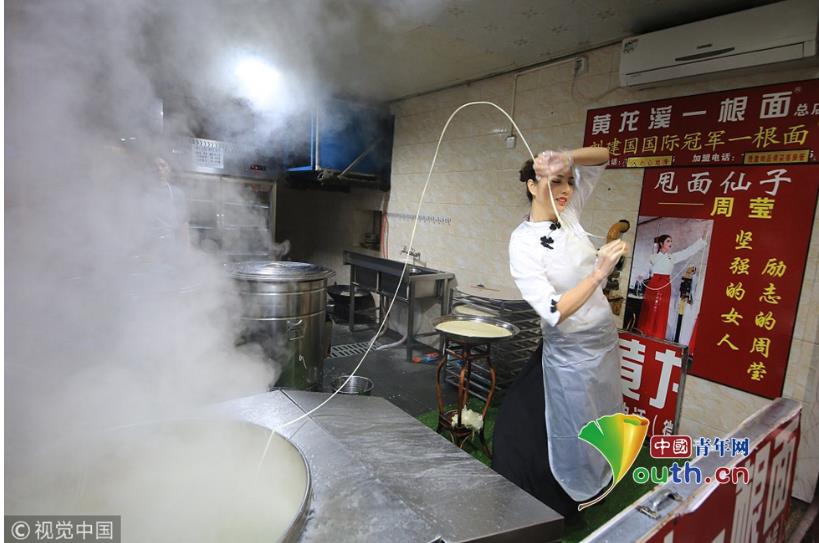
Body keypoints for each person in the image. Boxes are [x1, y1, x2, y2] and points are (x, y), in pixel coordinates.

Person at [491, 147, 626, 517]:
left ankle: (594, 485)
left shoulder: (569, 214)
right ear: (532, 186)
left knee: (598, 415)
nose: (566, 190)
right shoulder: (522, 242)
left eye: (569, 182)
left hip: (602, 342)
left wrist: (565, 157)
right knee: (545, 425)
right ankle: (547, 505)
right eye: (555, 182)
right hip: (568, 351)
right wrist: (598, 274)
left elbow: (603, 156)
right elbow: (553, 311)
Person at [636, 234, 706, 340]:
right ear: (661, 243)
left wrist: (701, 242)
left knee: (662, 312)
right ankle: (645, 332)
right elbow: (646, 270)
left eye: (671, 241)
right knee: (649, 310)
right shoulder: (653, 257)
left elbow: (687, 252)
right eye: (668, 241)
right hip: (653, 285)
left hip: (665, 287)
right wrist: (641, 276)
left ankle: (657, 335)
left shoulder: (672, 257)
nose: (670, 243)